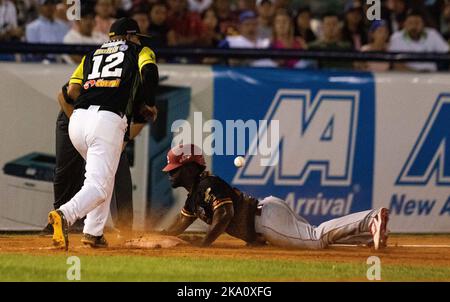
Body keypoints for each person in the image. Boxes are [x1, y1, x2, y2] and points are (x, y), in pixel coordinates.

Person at [48, 17, 158, 250]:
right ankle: (65, 215)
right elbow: (149, 72)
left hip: (77, 120)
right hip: (107, 119)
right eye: (136, 36)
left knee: (102, 180)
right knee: (98, 186)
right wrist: (149, 102)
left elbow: (71, 90)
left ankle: (93, 232)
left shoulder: (92, 54)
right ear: (129, 36)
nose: (138, 40)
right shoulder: (139, 50)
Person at [161, 144, 389, 250]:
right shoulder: (194, 198)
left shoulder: (208, 184)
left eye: (175, 168)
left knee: (315, 239)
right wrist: (148, 237)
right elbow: (178, 226)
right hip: (267, 214)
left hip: (266, 220)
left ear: (190, 168)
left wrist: (204, 243)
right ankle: (367, 236)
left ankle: (371, 219)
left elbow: (225, 214)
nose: (170, 172)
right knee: (313, 237)